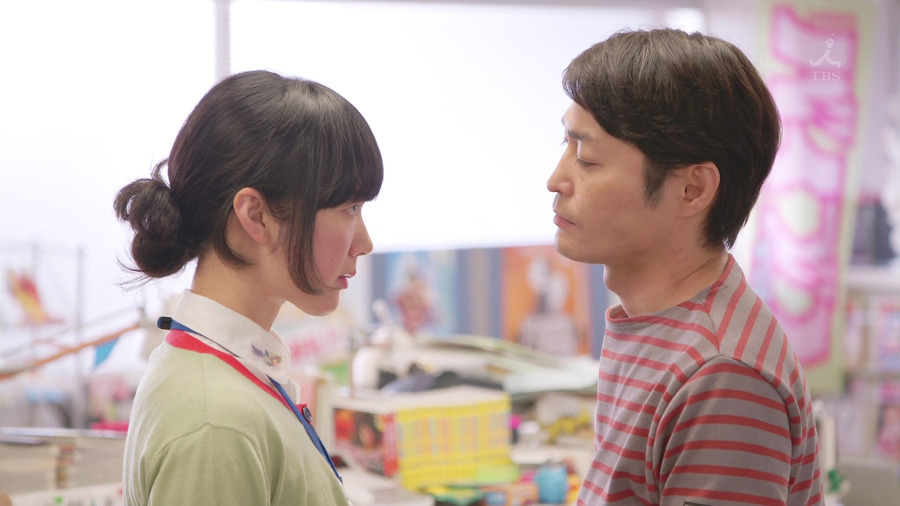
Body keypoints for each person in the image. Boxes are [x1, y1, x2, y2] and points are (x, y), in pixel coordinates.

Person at [547, 29, 822, 505]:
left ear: (693, 189)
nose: (555, 179)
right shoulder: (652, 321)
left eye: (587, 158)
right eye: (566, 146)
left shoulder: (723, 377)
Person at [115, 70, 382, 505]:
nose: (365, 242)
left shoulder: (222, 379)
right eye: (349, 208)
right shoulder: (216, 422)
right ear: (256, 216)